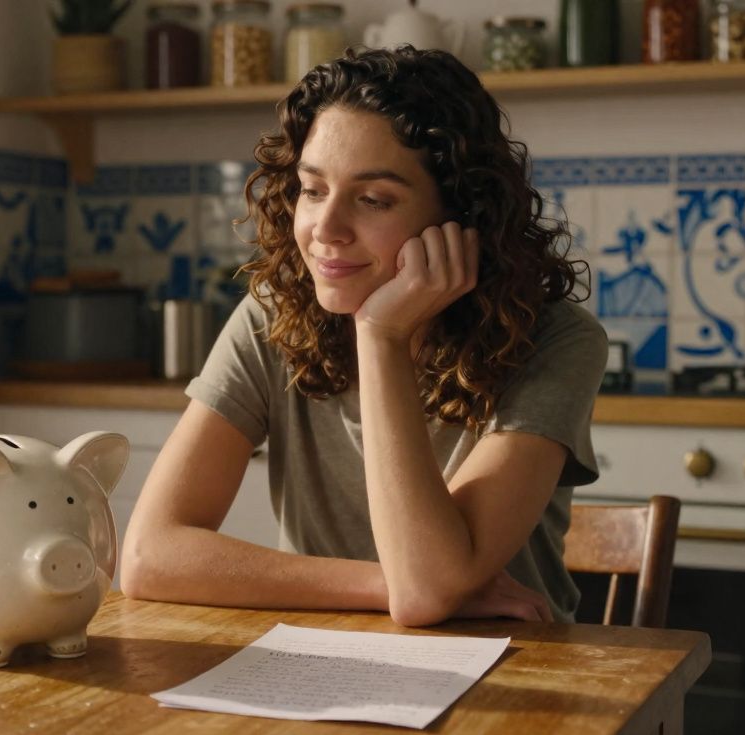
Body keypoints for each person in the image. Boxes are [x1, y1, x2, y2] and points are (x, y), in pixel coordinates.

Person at [120, 47, 606, 626]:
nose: (326, 229)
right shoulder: (271, 315)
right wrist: (383, 585)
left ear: (461, 213)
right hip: (322, 658)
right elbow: (149, 557)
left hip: (517, 661)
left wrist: (380, 335)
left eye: (373, 200)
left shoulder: (555, 339)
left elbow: (425, 592)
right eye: (312, 189)